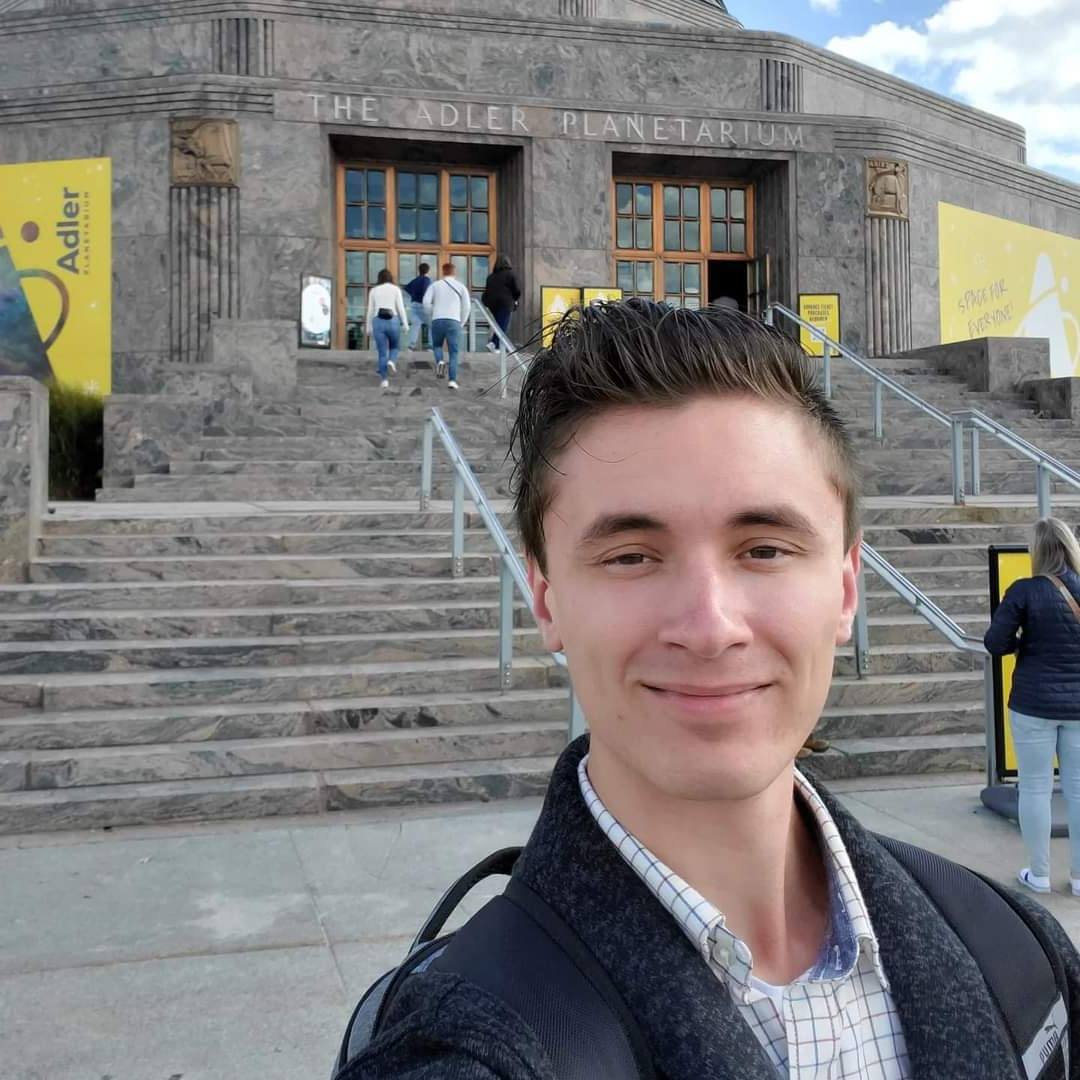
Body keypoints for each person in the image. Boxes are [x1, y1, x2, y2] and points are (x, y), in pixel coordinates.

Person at [344, 302, 1080, 1079]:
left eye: (764, 549)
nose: (709, 627)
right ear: (547, 597)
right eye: (631, 556)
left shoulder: (1016, 953)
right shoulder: (461, 1050)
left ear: (845, 587)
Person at [985, 516, 1080, 896]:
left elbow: (995, 643)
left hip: (1033, 703)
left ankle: (1039, 874)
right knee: (1078, 790)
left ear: (1037, 551)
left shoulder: (1024, 591)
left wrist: (1023, 643)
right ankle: (1079, 878)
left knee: (1036, 787)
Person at [423, 262, 471, 390]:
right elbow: (467, 307)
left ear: (443, 272)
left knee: (437, 345)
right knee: (453, 352)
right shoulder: (461, 286)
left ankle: (440, 361)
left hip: (437, 320)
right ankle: (452, 381)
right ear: (454, 272)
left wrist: (432, 314)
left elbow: (426, 303)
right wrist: (462, 322)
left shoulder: (435, 285)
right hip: (454, 321)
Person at [365, 268, 409, 389]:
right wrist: (405, 324)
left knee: (382, 352)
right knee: (395, 346)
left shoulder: (373, 290)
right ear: (391, 278)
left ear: (379, 278)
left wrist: (368, 327)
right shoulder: (396, 289)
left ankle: (384, 380)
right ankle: (391, 361)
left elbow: (370, 310)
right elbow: (401, 308)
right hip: (392, 320)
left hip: (378, 321)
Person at [481, 254, 522, 352]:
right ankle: (494, 343)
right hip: (505, 304)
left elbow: (487, 292)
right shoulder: (510, 274)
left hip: (492, 305)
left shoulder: (491, 277)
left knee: (498, 324)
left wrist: (486, 303)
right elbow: (516, 290)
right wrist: (515, 300)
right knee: (502, 325)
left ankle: (497, 346)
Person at [404, 262, 432, 351]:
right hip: (422, 304)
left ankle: (411, 346)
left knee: (415, 325)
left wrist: (413, 295)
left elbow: (406, 288)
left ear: (419, 270)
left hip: (413, 304)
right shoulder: (426, 280)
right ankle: (429, 346)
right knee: (431, 325)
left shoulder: (415, 280)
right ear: (428, 270)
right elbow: (425, 291)